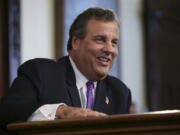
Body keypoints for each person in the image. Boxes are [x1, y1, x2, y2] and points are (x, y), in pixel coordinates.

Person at [0, 7, 131, 134]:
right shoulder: (40, 73)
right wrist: (61, 112)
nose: (110, 49)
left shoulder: (119, 92)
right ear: (76, 42)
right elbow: (8, 112)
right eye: (100, 39)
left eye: (114, 42)